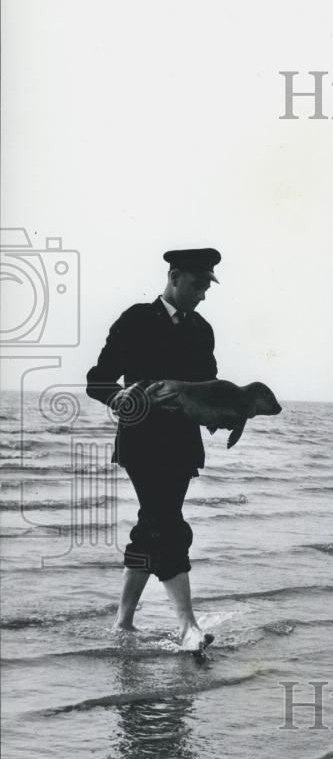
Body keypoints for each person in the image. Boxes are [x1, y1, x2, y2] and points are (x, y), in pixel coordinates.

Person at [86, 248, 222, 651]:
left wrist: (223, 414)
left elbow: (209, 390)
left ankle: (123, 623)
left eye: (207, 286)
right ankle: (187, 627)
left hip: (183, 446)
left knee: (151, 528)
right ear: (174, 277)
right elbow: (97, 380)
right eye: (198, 284)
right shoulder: (136, 319)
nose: (203, 293)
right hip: (142, 442)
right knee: (168, 525)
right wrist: (117, 396)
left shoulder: (203, 330)